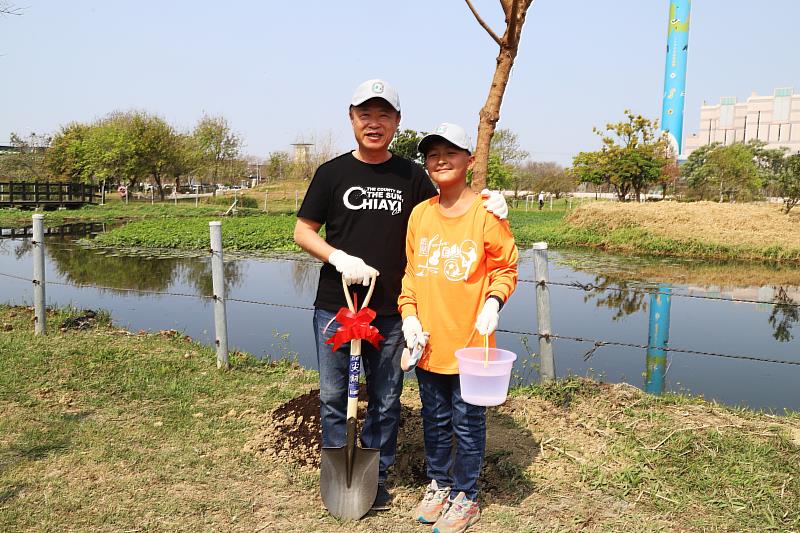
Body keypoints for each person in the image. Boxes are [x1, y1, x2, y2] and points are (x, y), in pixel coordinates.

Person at [293, 80, 509, 512]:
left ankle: (377, 478)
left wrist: (493, 201)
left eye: (383, 115)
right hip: (337, 305)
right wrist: (337, 258)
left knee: (387, 398)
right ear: (351, 118)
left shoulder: (412, 175)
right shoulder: (331, 172)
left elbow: (451, 208)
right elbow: (302, 231)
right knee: (336, 396)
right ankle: (339, 475)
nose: (374, 124)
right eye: (365, 115)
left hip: (393, 311)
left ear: (397, 122)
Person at [398, 122, 518, 533]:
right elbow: (411, 274)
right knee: (433, 419)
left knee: (467, 423)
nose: (440, 160)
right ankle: (439, 484)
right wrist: (409, 315)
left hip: (471, 347)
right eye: (432, 155)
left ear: (469, 160)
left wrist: (493, 302)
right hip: (428, 346)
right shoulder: (421, 215)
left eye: (450, 152)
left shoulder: (486, 213)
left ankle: (466, 495)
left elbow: (506, 268)